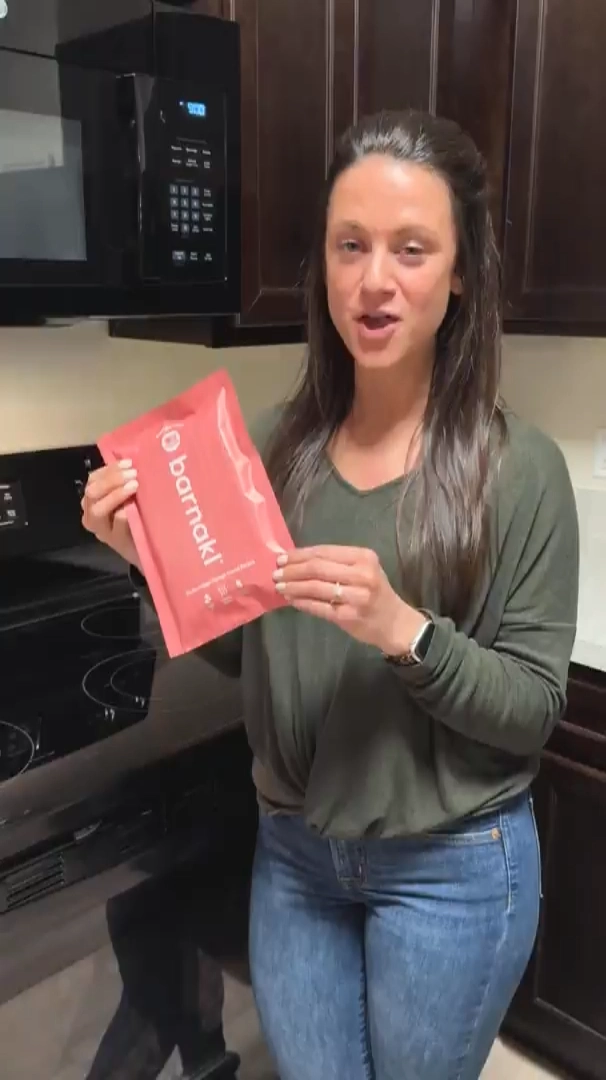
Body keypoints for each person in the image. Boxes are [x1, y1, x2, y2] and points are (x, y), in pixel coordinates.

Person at [82, 110, 579, 1080]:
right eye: (350, 246)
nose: (374, 280)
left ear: (461, 272)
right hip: (296, 860)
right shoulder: (266, 450)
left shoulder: (521, 471)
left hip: (451, 872)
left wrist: (405, 632)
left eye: (411, 249)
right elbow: (247, 650)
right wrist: (154, 562)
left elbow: (531, 710)